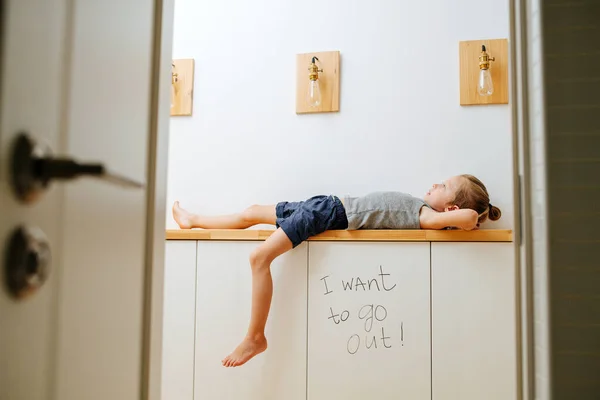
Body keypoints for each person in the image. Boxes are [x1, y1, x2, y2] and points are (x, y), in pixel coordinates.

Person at [172, 174, 501, 367]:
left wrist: (470, 216)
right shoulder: (427, 210)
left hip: (327, 213)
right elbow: (464, 217)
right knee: (252, 212)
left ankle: (254, 337)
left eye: (443, 185)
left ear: (452, 208)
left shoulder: (428, 216)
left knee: (259, 257)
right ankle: (194, 220)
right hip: (327, 205)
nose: (434, 184)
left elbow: (469, 219)